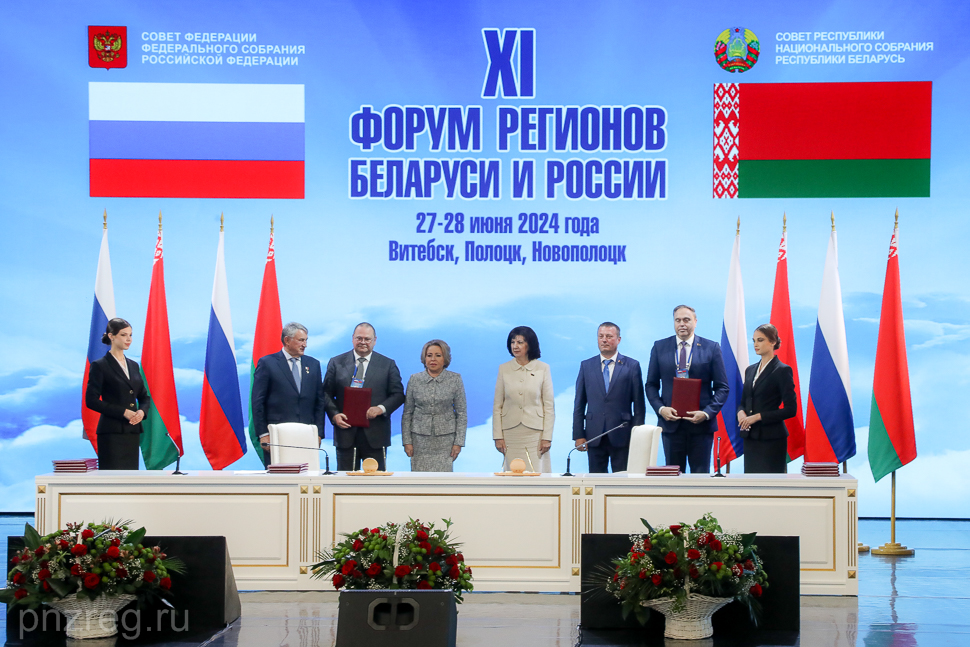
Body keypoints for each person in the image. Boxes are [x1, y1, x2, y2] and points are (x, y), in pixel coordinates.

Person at [645, 305, 730, 473]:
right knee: (673, 477)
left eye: (686, 320)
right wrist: (661, 409)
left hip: (701, 426)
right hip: (671, 425)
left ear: (695, 322)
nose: (682, 324)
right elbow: (651, 385)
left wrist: (706, 413)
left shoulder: (711, 348)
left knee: (701, 477)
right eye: (678, 320)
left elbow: (722, 387)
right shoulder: (659, 347)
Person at [323, 323, 405, 471]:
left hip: (376, 435)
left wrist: (381, 409)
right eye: (359, 338)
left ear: (374, 340)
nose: (363, 342)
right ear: (352, 339)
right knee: (345, 482)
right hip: (345, 433)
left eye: (367, 339)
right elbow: (325, 393)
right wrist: (334, 415)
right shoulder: (336, 362)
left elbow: (398, 395)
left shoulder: (388, 364)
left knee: (376, 483)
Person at [572, 322, 646, 472]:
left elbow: (639, 405)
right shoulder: (586, 366)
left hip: (622, 434)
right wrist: (578, 434)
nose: (604, 340)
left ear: (618, 339)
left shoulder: (632, 366)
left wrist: (637, 435)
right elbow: (579, 403)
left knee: (623, 480)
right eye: (601, 336)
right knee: (596, 480)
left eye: (609, 336)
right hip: (594, 434)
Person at [251, 322, 326, 466]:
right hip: (277, 435)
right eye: (301, 340)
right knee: (279, 477)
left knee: (307, 475)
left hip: (306, 434)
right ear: (287, 340)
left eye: (306, 340)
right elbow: (258, 401)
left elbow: (319, 402)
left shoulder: (313, 364)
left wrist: (319, 433)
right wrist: (263, 434)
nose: (305, 345)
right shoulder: (267, 363)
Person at [84, 318, 150, 470]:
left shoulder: (133, 365)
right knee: (113, 480)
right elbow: (91, 400)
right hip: (111, 433)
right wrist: (123, 412)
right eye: (123, 335)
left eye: (130, 335)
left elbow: (144, 397)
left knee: (130, 479)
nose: (129, 339)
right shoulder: (100, 365)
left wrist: (142, 412)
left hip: (132, 432)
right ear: (111, 336)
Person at [737, 323, 797, 474]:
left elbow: (791, 409)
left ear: (773, 342)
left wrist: (758, 417)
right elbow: (744, 401)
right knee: (751, 483)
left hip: (772, 439)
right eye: (754, 340)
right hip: (750, 437)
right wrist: (740, 412)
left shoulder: (782, 370)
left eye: (760, 340)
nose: (755, 344)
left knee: (772, 484)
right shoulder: (750, 370)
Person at [493, 326, 554, 472]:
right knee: (512, 472)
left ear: (530, 344)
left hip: (535, 433)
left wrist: (547, 437)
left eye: (520, 342)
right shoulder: (504, 369)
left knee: (536, 472)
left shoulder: (543, 368)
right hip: (510, 432)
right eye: (512, 342)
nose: (515, 346)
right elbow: (497, 405)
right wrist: (497, 436)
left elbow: (549, 406)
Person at [401, 340, 468, 472]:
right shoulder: (415, 379)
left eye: (438, 355)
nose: (433, 359)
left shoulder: (455, 379)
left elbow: (462, 413)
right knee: (420, 479)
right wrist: (407, 441)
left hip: (446, 441)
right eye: (429, 355)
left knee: (443, 480)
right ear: (424, 358)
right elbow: (407, 413)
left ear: (445, 358)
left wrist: (458, 442)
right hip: (419, 440)